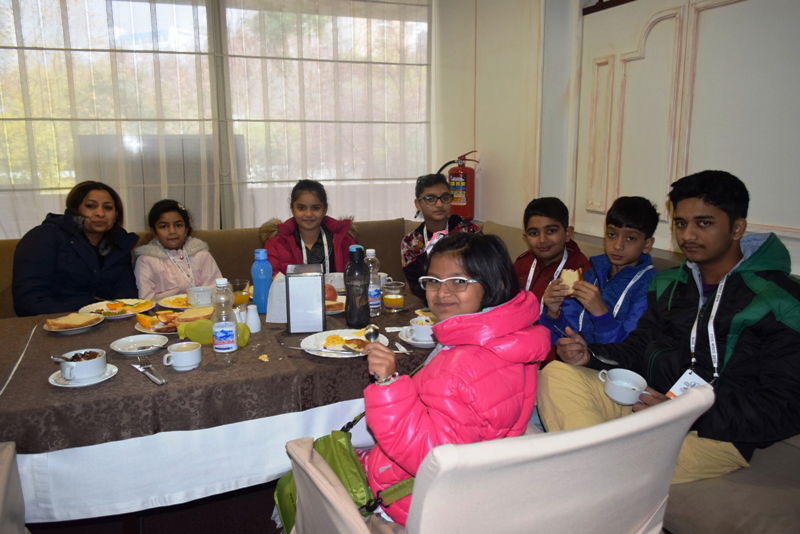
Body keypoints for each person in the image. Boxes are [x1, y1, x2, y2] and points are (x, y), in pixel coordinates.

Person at [538, 170, 800, 484]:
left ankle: (590, 467)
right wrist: (589, 355)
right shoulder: (671, 284)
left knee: (610, 465)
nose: (688, 235)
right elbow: (638, 347)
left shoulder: (780, 300)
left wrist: (684, 411)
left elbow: (786, 406)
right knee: (558, 373)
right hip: (647, 401)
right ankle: (595, 464)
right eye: (680, 223)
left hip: (714, 431)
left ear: (737, 228)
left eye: (704, 223)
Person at [363, 232, 550, 524]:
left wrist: (388, 384)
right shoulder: (508, 337)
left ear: (492, 284)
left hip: (411, 496)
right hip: (478, 485)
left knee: (310, 474)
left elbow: (433, 460)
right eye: (433, 281)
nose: (442, 293)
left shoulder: (465, 363)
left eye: (459, 281)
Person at [540, 196, 659, 345]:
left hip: (609, 360)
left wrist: (601, 314)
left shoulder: (651, 288)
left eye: (631, 238)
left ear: (647, 245)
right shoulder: (591, 274)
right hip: (577, 358)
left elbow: (630, 350)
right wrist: (553, 313)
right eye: (612, 235)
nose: (618, 245)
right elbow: (558, 337)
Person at [12, 180, 138, 316]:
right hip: (56, 320)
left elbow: (127, 295)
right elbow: (29, 300)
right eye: (90, 206)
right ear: (75, 210)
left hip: (109, 321)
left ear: (116, 214)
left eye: (108, 208)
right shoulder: (43, 237)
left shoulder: (119, 242)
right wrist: (82, 316)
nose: (100, 213)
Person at [401, 173, 481, 299]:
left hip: (467, 297)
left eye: (445, 197)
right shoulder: (411, 242)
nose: (439, 204)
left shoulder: (468, 231)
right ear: (418, 204)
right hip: (431, 301)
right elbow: (417, 286)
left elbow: (483, 272)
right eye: (430, 199)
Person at [259, 179, 357, 275]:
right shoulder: (276, 243)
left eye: (315, 208)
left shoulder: (345, 241)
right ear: (292, 209)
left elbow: (356, 275)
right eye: (301, 208)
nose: (309, 214)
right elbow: (271, 277)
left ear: (325, 209)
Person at [134, 199, 222, 301]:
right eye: (163, 226)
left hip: (204, 309)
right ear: (154, 232)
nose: (172, 231)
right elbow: (146, 301)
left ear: (186, 229)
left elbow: (217, 290)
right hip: (162, 310)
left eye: (178, 225)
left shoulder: (201, 255)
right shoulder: (146, 260)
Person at [513, 197, 590, 302]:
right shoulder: (522, 264)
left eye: (551, 231)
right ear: (526, 237)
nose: (542, 240)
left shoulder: (580, 271)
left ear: (568, 234)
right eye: (534, 233)